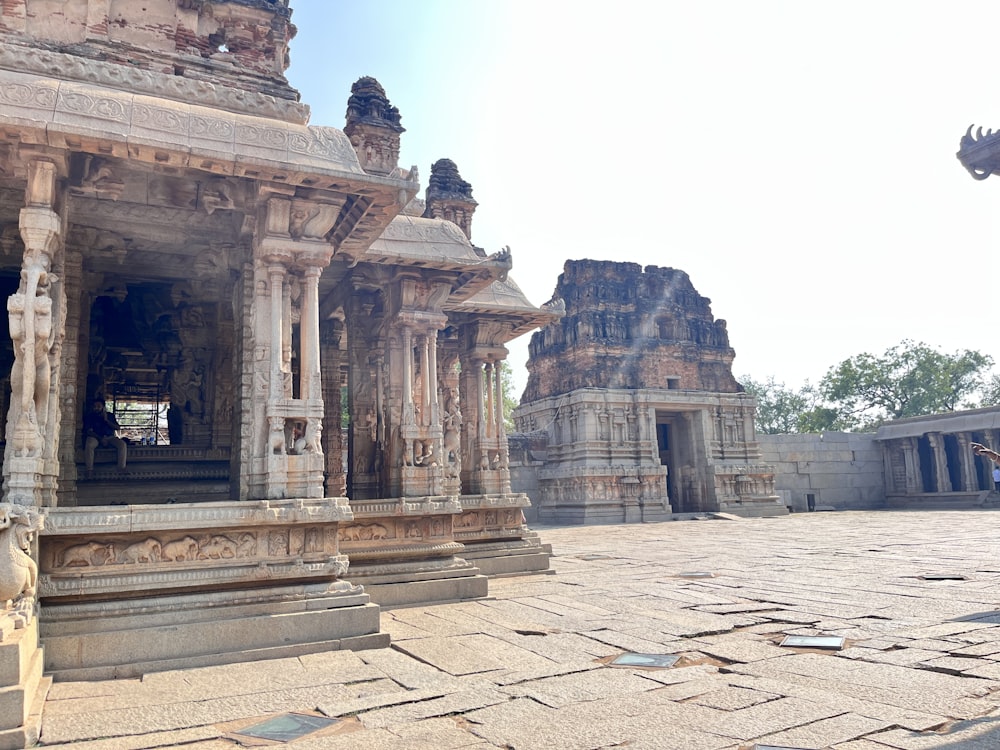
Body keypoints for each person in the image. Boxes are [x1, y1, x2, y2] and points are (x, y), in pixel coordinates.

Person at [83, 397, 127, 473]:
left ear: (103, 407)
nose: (96, 408)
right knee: (89, 444)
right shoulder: (90, 416)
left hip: (110, 437)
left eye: (98, 406)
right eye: (95, 407)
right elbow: (89, 431)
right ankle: (89, 469)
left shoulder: (110, 416)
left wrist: (107, 421)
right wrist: (100, 439)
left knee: (122, 445)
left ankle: (121, 468)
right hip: (96, 437)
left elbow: (117, 428)